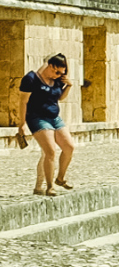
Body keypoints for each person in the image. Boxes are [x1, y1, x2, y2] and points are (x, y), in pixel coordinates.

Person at [17, 54, 75, 196]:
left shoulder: (57, 80)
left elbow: (59, 97)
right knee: (50, 151)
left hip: (54, 117)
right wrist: (21, 124)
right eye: (57, 72)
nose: (59, 75)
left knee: (69, 147)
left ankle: (60, 178)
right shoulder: (31, 79)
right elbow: (23, 102)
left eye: (62, 73)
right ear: (50, 66)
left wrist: (69, 85)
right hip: (37, 118)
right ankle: (49, 187)